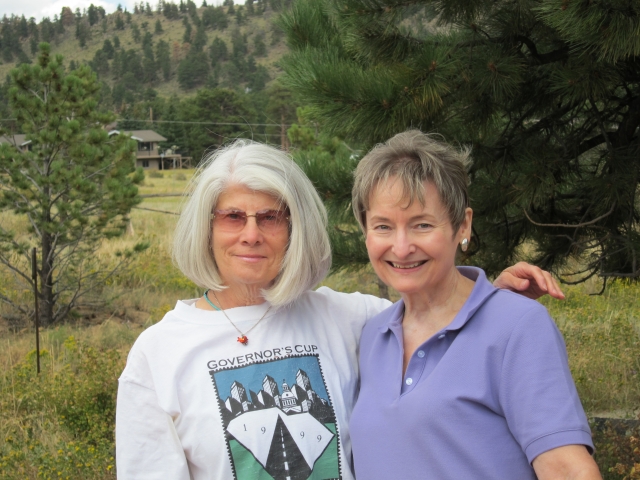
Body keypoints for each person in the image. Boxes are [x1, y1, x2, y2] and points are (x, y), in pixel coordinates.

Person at [116, 140, 564, 480]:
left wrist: (490, 301)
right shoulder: (157, 355)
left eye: (270, 217)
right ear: (206, 227)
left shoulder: (352, 319)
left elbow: (436, 314)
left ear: (296, 229)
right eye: (233, 216)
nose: (251, 234)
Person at [349, 130, 602, 479]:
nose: (402, 246)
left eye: (422, 225)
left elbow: (567, 471)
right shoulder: (373, 334)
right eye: (383, 226)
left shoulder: (518, 327)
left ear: (462, 225)